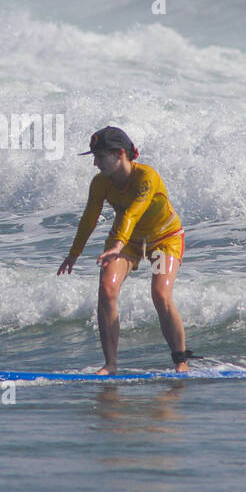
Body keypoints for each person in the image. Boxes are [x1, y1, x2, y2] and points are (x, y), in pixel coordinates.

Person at [56, 126, 192, 374]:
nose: (95, 163)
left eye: (99, 156)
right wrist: (74, 253)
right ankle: (111, 364)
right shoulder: (100, 184)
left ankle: (181, 361)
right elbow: (89, 217)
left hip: (164, 238)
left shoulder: (147, 177)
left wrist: (117, 245)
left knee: (160, 294)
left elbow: (133, 212)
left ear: (120, 153)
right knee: (107, 289)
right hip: (128, 241)